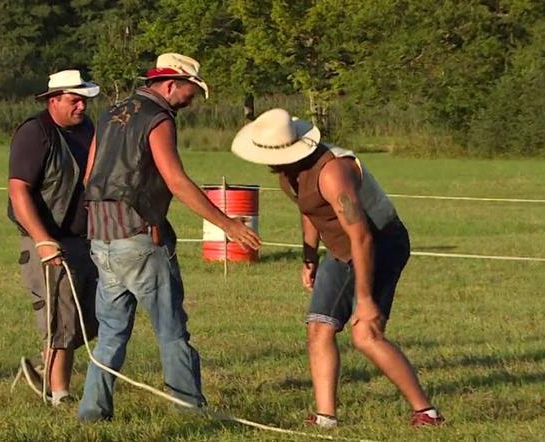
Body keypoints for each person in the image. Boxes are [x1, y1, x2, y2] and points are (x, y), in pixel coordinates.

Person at [231, 108, 445, 428]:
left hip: (379, 246)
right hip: (340, 250)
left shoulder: (332, 172)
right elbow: (309, 210)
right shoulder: (288, 173)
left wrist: (366, 299)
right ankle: (325, 417)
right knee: (319, 327)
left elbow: (361, 235)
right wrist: (309, 258)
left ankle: (426, 413)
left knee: (366, 334)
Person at [78, 53, 261, 421]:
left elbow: (88, 177)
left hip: (101, 236)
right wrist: (228, 224)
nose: (192, 99)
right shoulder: (157, 118)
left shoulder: (110, 114)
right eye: (191, 90)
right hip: (139, 238)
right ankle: (191, 409)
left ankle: (92, 413)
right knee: (171, 330)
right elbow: (175, 180)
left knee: (112, 333)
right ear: (170, 84)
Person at [7, 70, 100, 406]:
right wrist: (43, 240)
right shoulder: (35, 133)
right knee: (62, 318)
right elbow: (19, 191)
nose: (81, 106)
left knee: (91, 320)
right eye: (74, 100)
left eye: (84, 100)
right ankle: (60, 394)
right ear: (53, 100)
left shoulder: (89, 130)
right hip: (48, 239)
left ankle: (39, 369)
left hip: (86, 237)